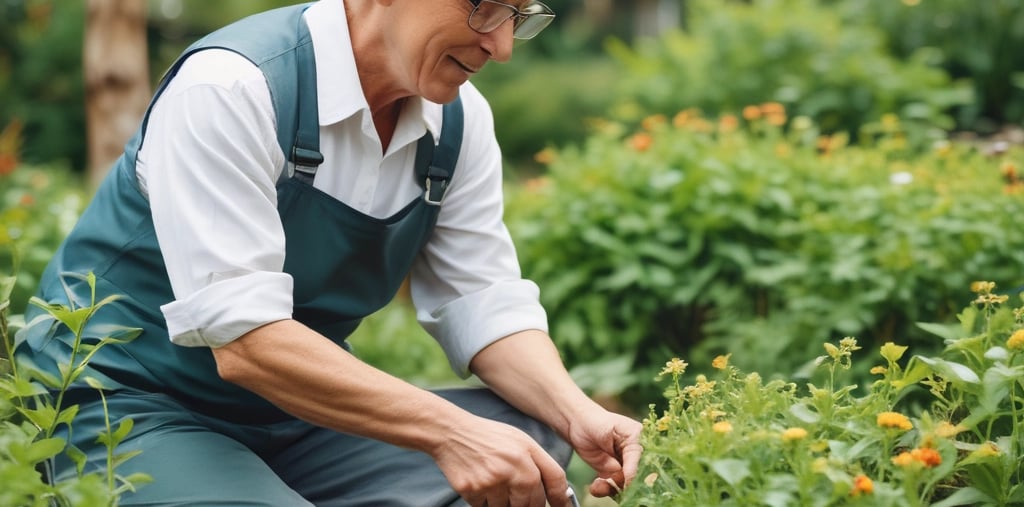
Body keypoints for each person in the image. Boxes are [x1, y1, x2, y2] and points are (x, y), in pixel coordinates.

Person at [16, 1, 642, 506]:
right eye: (484, 9)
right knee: (479, 448)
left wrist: (577, 414)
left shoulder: (458, 122)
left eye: (521, 14)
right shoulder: (233, 84)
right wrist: (451, 434)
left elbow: (480, 301)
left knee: (528, 439)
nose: (501, 45)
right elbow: (248, 343)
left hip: (293, 416)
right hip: (124, 405)